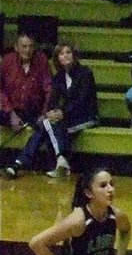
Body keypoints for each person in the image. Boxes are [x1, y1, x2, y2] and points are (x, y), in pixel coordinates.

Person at [4, 42, 96, 179]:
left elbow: (82, 101)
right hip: (68, 117)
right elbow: (53, 99)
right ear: (57, 58)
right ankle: (56, 163)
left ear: (74, 55)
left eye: (68, 52)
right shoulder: (59, 77)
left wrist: (62, 112)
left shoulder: (85, 73)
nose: (65, 56)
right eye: (61, 53)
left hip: (86, 117)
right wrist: (49, 112)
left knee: (47, 125)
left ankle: (22, 163)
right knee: (46, 123)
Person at [0, 31, 52, 141]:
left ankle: (26, 158)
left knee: (48, 125)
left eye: (31, 46)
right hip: (9, 110)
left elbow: (49, 89)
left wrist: (44, 113)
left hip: (33, 111)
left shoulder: (41, 61)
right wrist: (11, 114)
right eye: (24, 46)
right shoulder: (7, 61)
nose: (27, 50)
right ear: (16, 47)